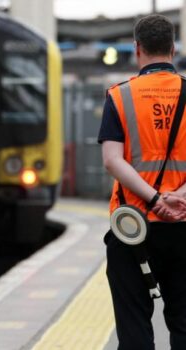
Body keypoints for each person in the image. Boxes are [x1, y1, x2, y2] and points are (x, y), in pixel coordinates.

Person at [98, 14, 186, 350]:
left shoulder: (120, 96)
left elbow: (111, 160)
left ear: (137, 49)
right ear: (172, 49)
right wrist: (178, 197)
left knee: (134, 325)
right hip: (184, 223)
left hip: (133, 229)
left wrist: (155, 200)